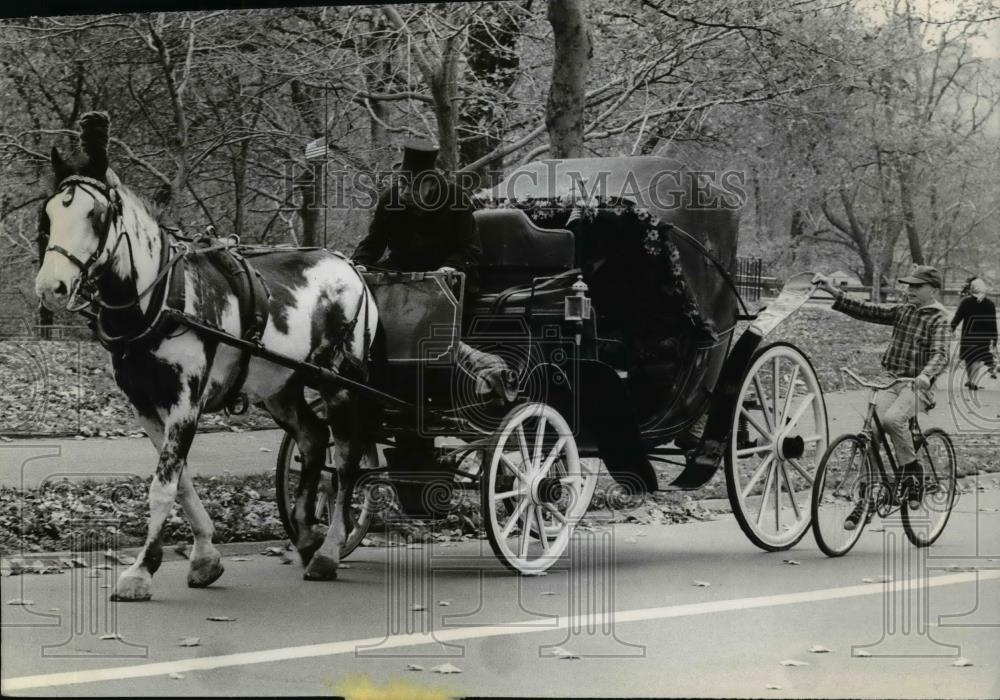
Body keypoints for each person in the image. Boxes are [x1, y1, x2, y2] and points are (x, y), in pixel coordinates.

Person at [813, 266, 950, 528]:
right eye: (908, 286)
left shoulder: (939, 319)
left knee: (893, 420)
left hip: (918, 385)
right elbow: (868, 310)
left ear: (933, 289)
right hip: (892, 381)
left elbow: (941, 354)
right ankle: (868, 497)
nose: (909, 290)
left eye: (916, 286)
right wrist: (832, 290)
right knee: (870, 432)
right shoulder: (904, 311)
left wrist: (926, 374)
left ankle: (913, 476)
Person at [353, 141, 481, 296]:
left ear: (431, 185)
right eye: (402, 184)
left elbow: (469, 249)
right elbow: (374, 241)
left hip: (446, 272)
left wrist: (450, 268)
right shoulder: (389, 200)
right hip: (402, 271)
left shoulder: (456, 199)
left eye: (413, 186)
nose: (405, 192)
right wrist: (359, 264)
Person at [951, 277, 998, 390]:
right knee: (977, 358)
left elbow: (958, 317)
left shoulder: (966, 302)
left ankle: (971, 380)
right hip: (983, 336)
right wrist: (994, 338)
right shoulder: (990, 304)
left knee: (969, 358)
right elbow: (993, 322)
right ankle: (972, 381)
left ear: (972, 290)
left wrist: (952, 328)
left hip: (968, 334)